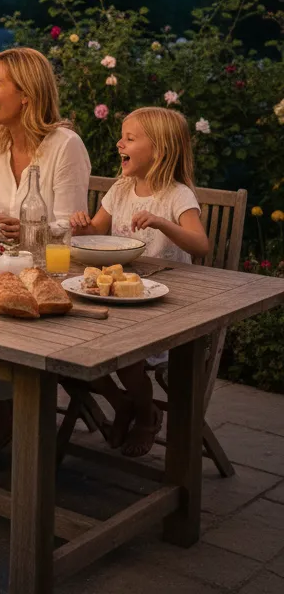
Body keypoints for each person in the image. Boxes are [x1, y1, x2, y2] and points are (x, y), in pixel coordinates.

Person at [0, 47, 91, 469]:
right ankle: (2, 415)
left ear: (27, 95)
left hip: (54, 274)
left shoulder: (64, 146)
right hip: (5, 265)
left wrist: (26, 228)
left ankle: (4, 420)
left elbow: (71, 226)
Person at [70, 107, 208, 456]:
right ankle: (122, 404)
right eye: (122, 136)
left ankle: (146, 415)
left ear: (158, 150)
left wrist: (163, 223)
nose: (120, 143)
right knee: (68, 345)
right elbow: (96, 231)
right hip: (117, 297)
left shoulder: (177, 195)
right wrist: (80, 224)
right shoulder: (121, 189)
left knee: (127, 358)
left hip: (164, 307)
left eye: (130, 138)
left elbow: (200, 244)